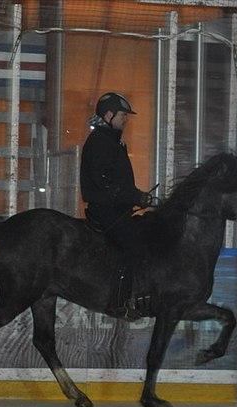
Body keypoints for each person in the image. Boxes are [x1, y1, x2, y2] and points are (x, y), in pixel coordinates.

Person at [80, 92, 157, 318]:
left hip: (116, 208)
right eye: (123, 114)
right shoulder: (101, 142)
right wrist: (135, 196)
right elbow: (104, 181)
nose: (126, 119)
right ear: (109, 115)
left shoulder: (113, 141)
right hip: (106, 210)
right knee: (133, 244)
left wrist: (136, 196)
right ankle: (119, 301)